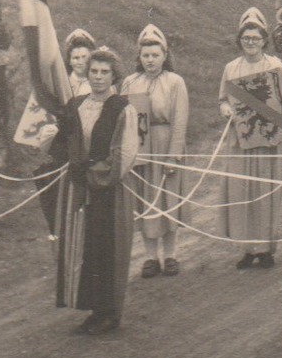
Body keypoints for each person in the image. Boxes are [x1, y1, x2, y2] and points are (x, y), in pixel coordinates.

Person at [54, 47, 141, 336]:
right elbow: (64, 142)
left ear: (114, 75)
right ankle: (93, 308)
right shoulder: (77, 105)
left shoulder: (122, 108)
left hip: (110, 186)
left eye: (105, 72)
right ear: (86, 73)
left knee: (110, 247)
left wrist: (96, 173)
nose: (99, 77)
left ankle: (110, 313)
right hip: (83, 186)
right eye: (94, 71)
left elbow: (124, 155)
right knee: (87, 245)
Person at [219, 8, 282, 269]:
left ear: (265, 40)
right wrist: (226, 109)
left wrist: (277, 130)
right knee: (243, 190)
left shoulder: (276, 67)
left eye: (255, 38)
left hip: (268, 143)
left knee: (266, 192)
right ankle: (247, 247)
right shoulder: (231, 68)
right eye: (246, 38)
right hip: (241, 142)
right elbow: (223, 99)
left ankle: (266, 248)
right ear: (240, 40)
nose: (251, 42)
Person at [122, 24, 189, 279]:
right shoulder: (130, 82)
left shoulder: (175, 82)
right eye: (145, 55)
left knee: (167, 198)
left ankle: (171, 254)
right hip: (140, 147)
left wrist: (173, 155)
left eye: (155, 55)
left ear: (164, 56)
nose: (150, 60)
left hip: (165, 142)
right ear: (139, 57)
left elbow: (180, 120)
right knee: (145, 199)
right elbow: (123, 119)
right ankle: (151, 256)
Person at [64, 28, 97, 99]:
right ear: (69, 61)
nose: (80, 62)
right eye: (76, 58)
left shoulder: (100, 83)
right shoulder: (63, 84)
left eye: (84, 57)